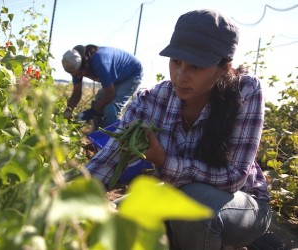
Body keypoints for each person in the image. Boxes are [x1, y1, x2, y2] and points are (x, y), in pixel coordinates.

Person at [85, 9, 271, 249]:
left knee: (196, 204)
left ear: (223, 68)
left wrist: (164, 161)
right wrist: (72, 192)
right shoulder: (153, 99)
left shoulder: (246, 91)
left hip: (243, 205)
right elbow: (110, 157)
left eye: (195, 67)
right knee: (115, 221)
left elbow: (233, 177)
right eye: (176, 62)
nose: (180, 76)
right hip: (177, 193)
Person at [61, 44, 143, 129]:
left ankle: (110, 138)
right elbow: (76, 93)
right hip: (116, 75)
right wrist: (69, 110)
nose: (77, 77)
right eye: (73, 74)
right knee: (97, 103)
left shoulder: (101, 63)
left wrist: (91, 112)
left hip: (131, 74)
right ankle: (97, 135)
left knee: (110, 108)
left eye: (79, 74)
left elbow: (110, 95)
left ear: (84, 64)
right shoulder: (75, 67)